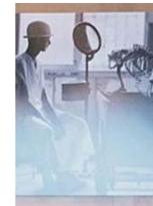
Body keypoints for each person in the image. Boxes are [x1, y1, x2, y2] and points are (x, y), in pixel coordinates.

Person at [15, 20, 95, 194]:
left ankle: (71, 171)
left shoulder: (39, 65)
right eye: (46, 38)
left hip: (41, 111)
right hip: (24, 115)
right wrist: (49, 122)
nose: (49, 42)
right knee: (45, 130)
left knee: (77, 124)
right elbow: (24, 102)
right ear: (36, 40)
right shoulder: (18, 63)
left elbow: (43, 98)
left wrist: (56, 120)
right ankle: (52, 176)